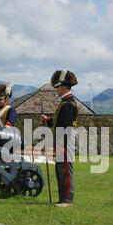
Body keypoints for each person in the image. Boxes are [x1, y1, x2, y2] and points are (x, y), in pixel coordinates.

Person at [40, 69, 78, 207]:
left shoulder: (68, 104)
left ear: (62, 87)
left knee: (66, 170)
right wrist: (49, 120)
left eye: (58, 87)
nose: (56, 90)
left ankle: (67, 200)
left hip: (65, 140)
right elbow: (59, 122)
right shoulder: (65, 102)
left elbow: (66, 126)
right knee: (60, 170)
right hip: (63, 139)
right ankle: (62, 198)